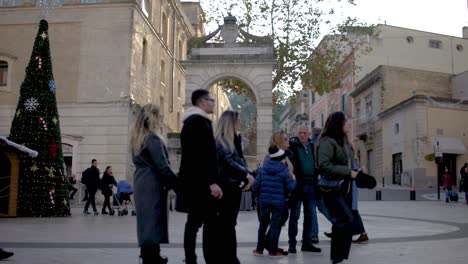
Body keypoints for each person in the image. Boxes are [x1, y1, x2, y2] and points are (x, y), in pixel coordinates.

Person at [178, 89, 223, 264]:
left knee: (195, 224)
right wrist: (211, 182)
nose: (213, 103)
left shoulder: (194, 121)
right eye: (210, 100)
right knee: (200, 224)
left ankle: (195, 258)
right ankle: (198, 258)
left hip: (196, 183)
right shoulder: (198, 122)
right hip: (200, 185)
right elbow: (200, 156)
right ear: (202, 102)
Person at [131, 104, 177, 264]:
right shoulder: (152, 138)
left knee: (146, 221)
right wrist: (178, 184)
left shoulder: (137, 138)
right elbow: (163, 166)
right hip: (152, 184)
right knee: (153, 220)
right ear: (153, 118)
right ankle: (152, 257)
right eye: (160, 117)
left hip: (141, 182)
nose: (162, 120)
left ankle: (148, 255)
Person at [317, 112, 361, 264]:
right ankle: (336, 257)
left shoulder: (343, 141)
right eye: (346, 122)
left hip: (345, 187)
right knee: (344, 220)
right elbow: (324, 165)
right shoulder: (327, 142)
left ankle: (339, 257)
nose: (349, 124)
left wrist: (349, 140)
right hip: (332, 188)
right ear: (338, 124)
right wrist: (348, 172)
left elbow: (350, 161)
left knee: (345, 221)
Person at [215, 110, 254, 264]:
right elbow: (228, 161)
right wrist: (246, 175)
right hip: (226, 187)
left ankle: (230, 257)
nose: (240, 123)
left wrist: (247, 175)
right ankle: (229, 258)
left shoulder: (233, 140)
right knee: (226, 225)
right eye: (237, 121)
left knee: (230, 224)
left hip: (234, 187)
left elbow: (241, 159)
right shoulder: (221, 140)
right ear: (231, 123)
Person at [253, 146, 296, 257]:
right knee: (275, 227)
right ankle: (272, 251)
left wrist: (260, 195)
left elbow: (255, 186)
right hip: (278, 203)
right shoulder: (284, 170)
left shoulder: (262, 170)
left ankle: (259, 249)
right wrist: (294, 179)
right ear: (280, 158)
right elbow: (290, 188)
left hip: (264, 202)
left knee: (262, 225)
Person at [287, 126, 321, 253]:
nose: (302, 135)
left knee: (309, 215)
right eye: (300, 133)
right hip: (298, 186)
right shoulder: (292, 146)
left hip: (311, 185)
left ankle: (306, 243)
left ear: (309, 134)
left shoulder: (313, 147)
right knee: (294, 215)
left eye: (304, 133)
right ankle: (292, 244)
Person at [260, 132, 294, 255]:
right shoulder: (271, 157)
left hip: (282, 193)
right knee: (279, 218)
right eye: (285, 139)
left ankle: (270, 243)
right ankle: (269, 243)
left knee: (282, 217)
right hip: (275, 195)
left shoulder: (286, 155)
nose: (288, 141)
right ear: (279, 141)